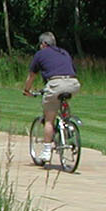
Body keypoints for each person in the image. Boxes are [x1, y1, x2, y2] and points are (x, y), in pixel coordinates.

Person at [22, 32, 80, 163]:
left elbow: (32, 75)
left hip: (55, 84)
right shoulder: (64, 52)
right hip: (73, 83)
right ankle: (68, 125)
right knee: (62, 99)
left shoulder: (40, 54)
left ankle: (47, 151)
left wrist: (26, 90)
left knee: (49, 120)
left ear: (43, 44)